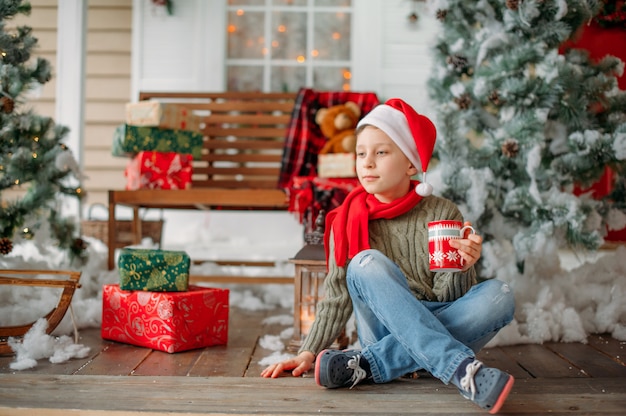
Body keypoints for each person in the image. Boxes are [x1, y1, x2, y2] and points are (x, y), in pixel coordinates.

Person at [261, 98, 516, 414]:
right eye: (361, 153)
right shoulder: (345, 219)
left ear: (410, 163)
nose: (367, 162)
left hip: (429, 319)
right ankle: (462, 370)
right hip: (381, 329)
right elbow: (337, 297)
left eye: (380, 152)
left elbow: (449, 298)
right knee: (365, 261)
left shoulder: (441, 212)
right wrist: (309, 351)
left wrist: (461, 267)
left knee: (499, 294)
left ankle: (370, 364)